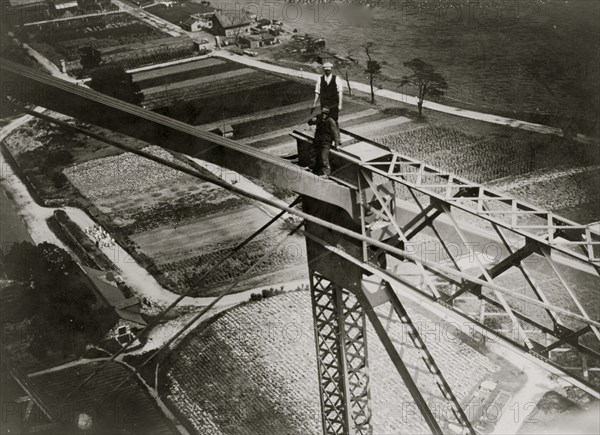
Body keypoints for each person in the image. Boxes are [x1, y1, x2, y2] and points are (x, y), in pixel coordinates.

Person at [308, 107, 340, 178]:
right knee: (313, 153)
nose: (324, 115)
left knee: (324, 157)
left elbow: (335, 133)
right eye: (323, 113)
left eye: (326, 114)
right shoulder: (318, 117)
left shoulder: (330, 121)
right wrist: (312, 120)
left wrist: (337, 144)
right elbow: (309, 123)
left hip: (326, 142)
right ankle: (311, 167)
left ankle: (326, 173)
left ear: (328, 114)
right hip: (318, 140)